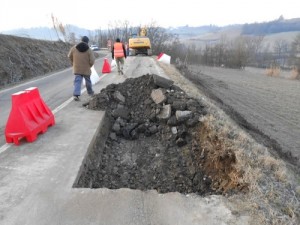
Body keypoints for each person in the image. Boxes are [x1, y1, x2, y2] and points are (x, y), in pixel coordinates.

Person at [68, 36, 95, 101]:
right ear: (87, 42)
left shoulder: (74, 48)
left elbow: (69, 56)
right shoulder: (89, 50)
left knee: (77, 81)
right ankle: (90, 93)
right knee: (88, 81)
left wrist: (73, 63)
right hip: (86, 69)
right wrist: (89, 66)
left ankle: (76, 95)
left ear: (81, 40)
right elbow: (92, 60)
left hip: (77, 68)